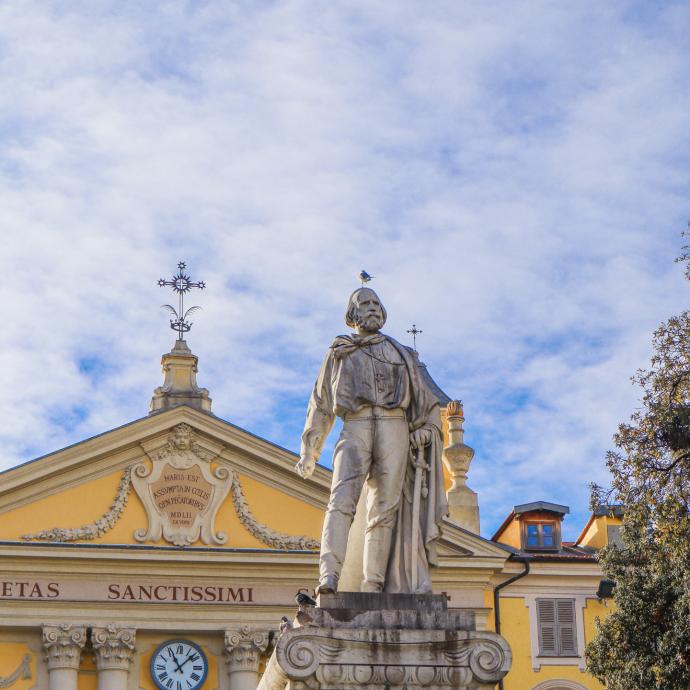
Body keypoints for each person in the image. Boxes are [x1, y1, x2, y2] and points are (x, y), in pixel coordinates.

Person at [296, 287, 448, 594]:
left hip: (395, 426)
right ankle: (329, 577)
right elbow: (321, 402)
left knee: (385, 508)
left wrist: (424, 429)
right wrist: (310, 450)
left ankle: (374, 584)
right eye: (365, 303)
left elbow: (427, 403)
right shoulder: (339, 352)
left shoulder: (401, 353)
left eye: (377, 303)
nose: (373, 308)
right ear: (352, 315)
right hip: (355, 424)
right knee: (341, 501)